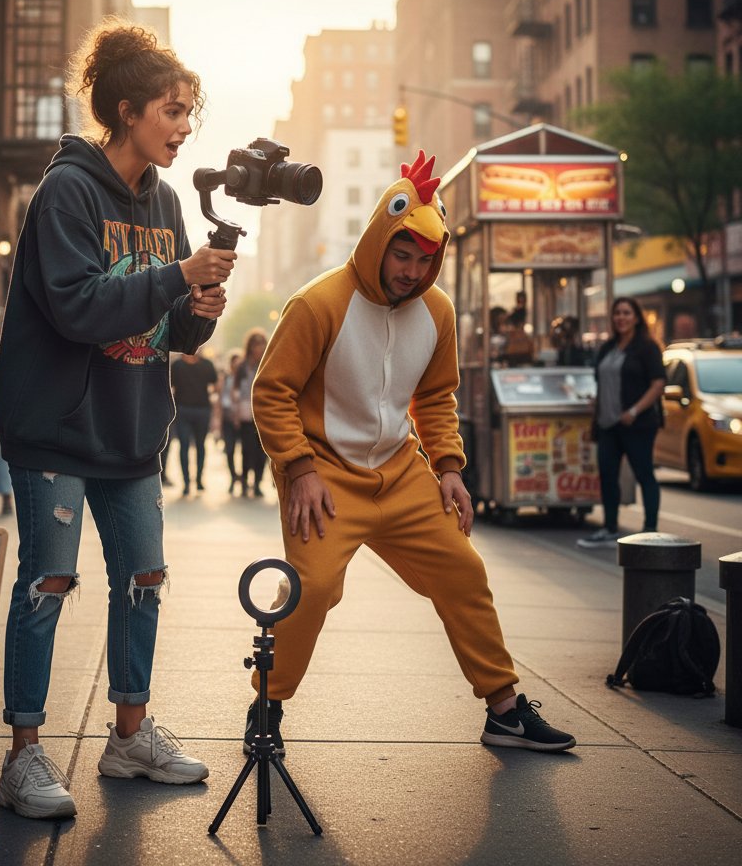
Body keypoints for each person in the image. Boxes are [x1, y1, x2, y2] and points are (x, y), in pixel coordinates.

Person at [244, 150, 576, 758]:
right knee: (312, 590)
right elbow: (272, 393)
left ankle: (504, 710)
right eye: (403, 254)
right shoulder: (318, 304)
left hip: (401, 473)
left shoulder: (438, 311)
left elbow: (436, 395)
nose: (412, 270)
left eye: (427, 260)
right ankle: (267, 703)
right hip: (325, 478)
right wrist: (299, 469)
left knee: (464, 571)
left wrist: (449, 468)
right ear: (379, 239)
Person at [0, 19, 236, 819]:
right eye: (173, 109)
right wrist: (175, 274)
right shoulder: (66, 190)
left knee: (143, 582)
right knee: (47, 585)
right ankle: (24, 757)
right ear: (128, 111)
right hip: (57, 431)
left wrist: (199, 304)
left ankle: (129, 736)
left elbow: (172, 330)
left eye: (190, 111)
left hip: (131, 432)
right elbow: (76, 308)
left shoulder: (165, 199)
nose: (185, 125)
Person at [577, 296, 665, 549]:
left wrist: (635, 410)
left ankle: (650, 529)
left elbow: (658, 384)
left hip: (636, 424)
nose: (621, 318)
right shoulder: (608, 347)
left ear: (636, 317)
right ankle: (609, 527)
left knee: (644, 473)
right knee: (607, 475)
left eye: (626, 313)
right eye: (617, 313)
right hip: (607, 424)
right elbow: (602, 381)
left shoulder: (647, 347)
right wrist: (596, 402)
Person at [170, 352, 218, 495]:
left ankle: (198, 480)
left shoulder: (207, 364)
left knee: (200, 446)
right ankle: (186, 482)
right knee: (183, 445)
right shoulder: (177, 365)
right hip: (183, 409)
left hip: (202, 409)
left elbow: (215, 384)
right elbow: (169, 385)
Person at [233, 328, 268, 497]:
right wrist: (236, 413)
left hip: (264, 415)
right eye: (256, 344)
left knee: (262, 453)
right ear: (250, 346)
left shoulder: (269, 363)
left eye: (261, 344)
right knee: (247, 451)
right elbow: (236, 391)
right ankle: (245, 482)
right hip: (246, 415)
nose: (259, 348)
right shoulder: (242, 366)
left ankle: (258, 484)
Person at [219, 351, 243, 493]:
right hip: (228, 418)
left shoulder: (246, 377)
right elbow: (221, 398)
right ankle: (233, 476)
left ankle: (244, 478)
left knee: (246, 451)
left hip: (243, 418)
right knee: (229, 450)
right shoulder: (226, 378)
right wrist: (217, 419)